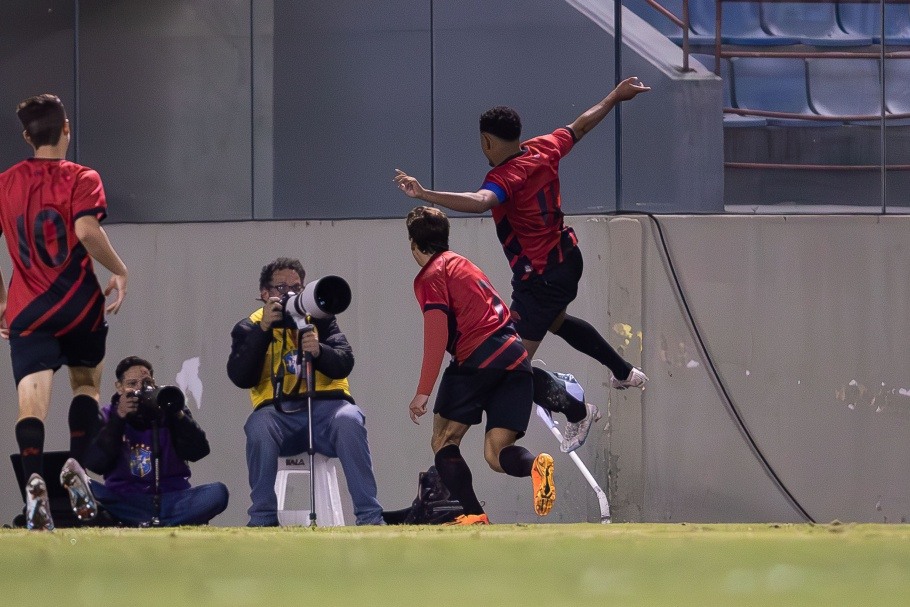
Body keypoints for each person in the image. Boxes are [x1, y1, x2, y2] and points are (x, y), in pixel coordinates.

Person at [394, 77, 651, 453]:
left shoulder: (504, 177)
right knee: (556, 321)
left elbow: (481, 201)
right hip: (566, 259)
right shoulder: (544, 147)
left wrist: (425, 193)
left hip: (543, 278)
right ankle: (624, 372)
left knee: (510, 361)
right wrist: (615, 95)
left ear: (487, 141)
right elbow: (581, 125)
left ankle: (578, 410)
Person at [0, 94, 129, 530]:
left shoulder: (5, 183)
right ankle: (75, 466)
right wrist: (120, 269)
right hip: (78, 306)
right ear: (67, 129)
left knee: (31, 403)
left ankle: (34, 475)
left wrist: (1, 301)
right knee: (86, 387)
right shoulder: (82, 177)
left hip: (29, 310)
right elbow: (86, 230)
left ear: (26, 136)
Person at [406, 206, 555, 525]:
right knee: (497, 453)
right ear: (445, 238)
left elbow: (437, 333)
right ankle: (534, 466)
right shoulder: (466, 266)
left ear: (413, 244)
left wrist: (422, 392)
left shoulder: (431, 275)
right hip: (515, 359)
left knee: (444, 440)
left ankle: (474, 513)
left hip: (477, 357)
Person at [227, 257, 384, 526]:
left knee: (350, 420)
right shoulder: (250, 326)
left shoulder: (320, 317)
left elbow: (345, 362)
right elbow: (240, 376)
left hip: (326, 412)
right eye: (280, 288)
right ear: (265, 294)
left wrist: (320, 351)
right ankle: (262, 519)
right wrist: (264, 330)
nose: (289, 294)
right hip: (278, 415)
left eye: (297, 287)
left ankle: (370, 517)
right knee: (258, 426)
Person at [76, 356, 229, 527]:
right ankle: (162, 522)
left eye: (147, 382)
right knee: (86, 488)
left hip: (174, 499)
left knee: (217, 493)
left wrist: (176, 414)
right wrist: (119, 418)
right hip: (127, 499)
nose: (140, 389)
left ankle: (143, 522)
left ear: (154, 383)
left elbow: (199, 451)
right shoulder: (107, 413)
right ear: (119, 387)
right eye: (132, 384)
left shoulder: (172, 409)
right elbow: (96, 464)